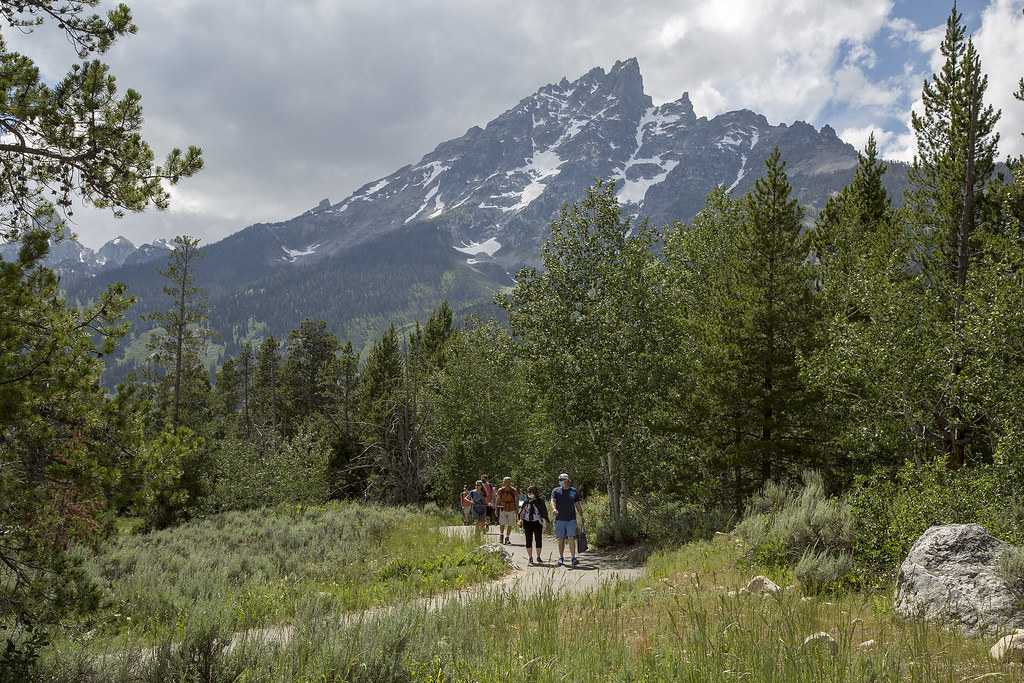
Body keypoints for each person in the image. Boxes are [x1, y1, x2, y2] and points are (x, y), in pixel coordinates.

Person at [550, 473, 585, 567]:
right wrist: (554, 509)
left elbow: (577, 504)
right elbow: (552, 501)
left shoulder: (573, 491)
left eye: (561, 480)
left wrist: (581, 516)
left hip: (571, 519)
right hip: (559, 519)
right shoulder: (556, 491)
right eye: (559, 480)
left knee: (571, 537)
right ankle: (561, 557)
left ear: (566, 480)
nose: (560, 481)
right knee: (561, 539)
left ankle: (573, 557)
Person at [518, 485, 550, 564]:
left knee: (538, 539)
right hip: (527, 522)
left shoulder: (540, 501)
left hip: (537, 522)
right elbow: (522, 512)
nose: (529, 493)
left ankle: (538, 557)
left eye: (531, 492)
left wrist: (547, 522)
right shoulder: (526, 501)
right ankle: (530, 557)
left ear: (535, 493)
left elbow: (544, 512)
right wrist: (520, 520)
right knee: (528, 539)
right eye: (528, 492)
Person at [494, 477, 519, 545]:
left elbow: (516, 500)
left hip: (511, 509)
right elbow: (497, 500)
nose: (504, 482)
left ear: (509, 482)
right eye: (504, 481)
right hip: (502, 508)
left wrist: (517, 510)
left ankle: (507, 537)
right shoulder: (500, 490)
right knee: (502, 523)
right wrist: (496, 509)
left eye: (505, 481)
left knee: (510, 524)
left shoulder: (514, 490)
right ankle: (501, 536)